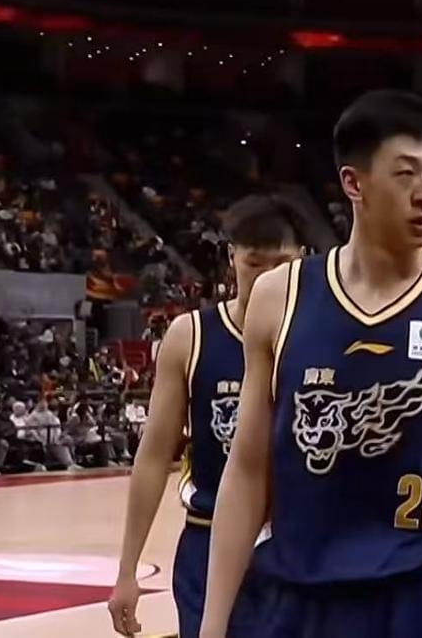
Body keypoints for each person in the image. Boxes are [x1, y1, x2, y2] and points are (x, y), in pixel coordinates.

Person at [200, 90, 422, 638]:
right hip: (299, 596)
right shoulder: (279, 297)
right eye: (405, 175)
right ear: (354, 184)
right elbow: (248, 469)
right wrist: (213, 624)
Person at [108, 194, 306, 638]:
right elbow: (153, 455)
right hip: (209, 540)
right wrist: (127, 570)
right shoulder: (191, 336)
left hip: (296, 543)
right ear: (232, 257)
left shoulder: (322, 336)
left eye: (282, 264)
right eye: (255, 263)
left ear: (303, 259)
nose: (268, 277)